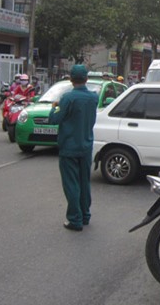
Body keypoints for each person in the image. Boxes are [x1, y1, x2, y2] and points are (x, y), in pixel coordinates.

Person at [49, 65, 99, 231]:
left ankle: (74, 219)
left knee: (71, 184)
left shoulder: (67, 98)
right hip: (86, 146)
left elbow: (55, 120)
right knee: (84, 182)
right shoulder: (93, 98)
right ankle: (85, 215)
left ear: (71, 79)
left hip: (69, 147)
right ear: (86, 79)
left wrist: (53, 108)